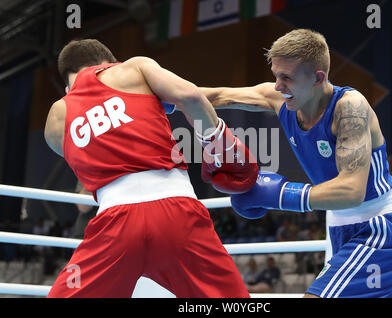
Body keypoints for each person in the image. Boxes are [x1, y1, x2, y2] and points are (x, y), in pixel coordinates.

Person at [199, 29, 392, 298]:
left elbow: (352, 191)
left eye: (287, 78)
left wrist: (279, 195)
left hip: (378, 229)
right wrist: (159, 97)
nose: (278, 86)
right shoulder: (280, 98)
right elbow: (216, 95)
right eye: (276, 76)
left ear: (318, 77)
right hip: (340, 230)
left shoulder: (350, 108)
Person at [44, 39, 258, 297]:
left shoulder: (57, 115)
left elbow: (81, 155)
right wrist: (218, 147)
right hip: (177, 215)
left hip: (114, 228)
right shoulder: (134, 68)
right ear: (109, 63)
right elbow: (191, 96)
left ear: (67, 85)